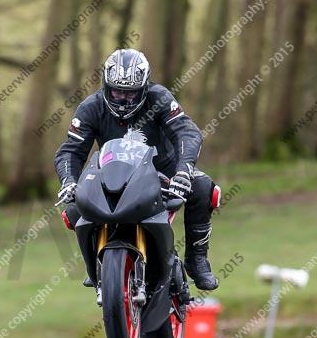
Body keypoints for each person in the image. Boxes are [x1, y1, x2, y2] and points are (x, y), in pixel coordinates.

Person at [54, 48, 220, 290]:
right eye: (116, 92)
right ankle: (97, 264)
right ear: (105, 86)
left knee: (203, 186)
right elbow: (71, 150)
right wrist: (69, 180)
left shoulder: (160, 98)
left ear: (144, 88)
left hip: (163, 172)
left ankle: (196, 260)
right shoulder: (90, 107)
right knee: (74, 208)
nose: (122, 99)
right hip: (112, 177)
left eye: (130, 94)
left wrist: (184, 170)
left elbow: (187, 131)